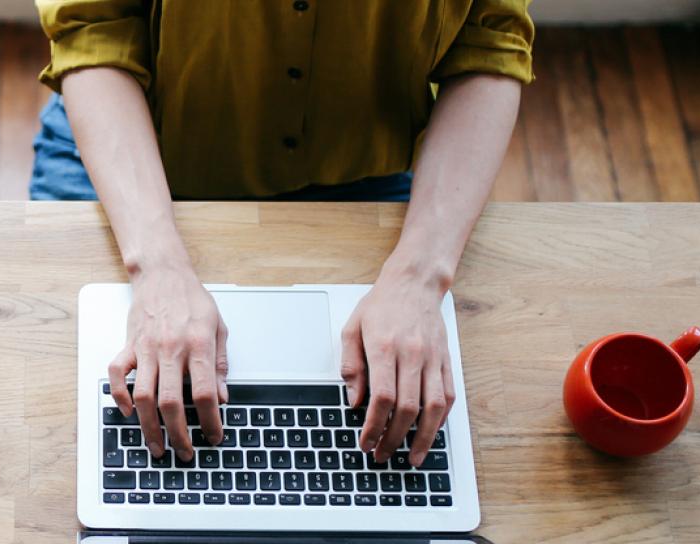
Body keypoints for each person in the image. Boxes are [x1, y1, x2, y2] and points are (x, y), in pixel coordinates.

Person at [32, 1, 533, 467]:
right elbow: (94, 27)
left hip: (362, 170)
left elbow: (488, 43)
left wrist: (421, 277)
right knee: (56, 415)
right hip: (133, 148)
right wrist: (156, 267)